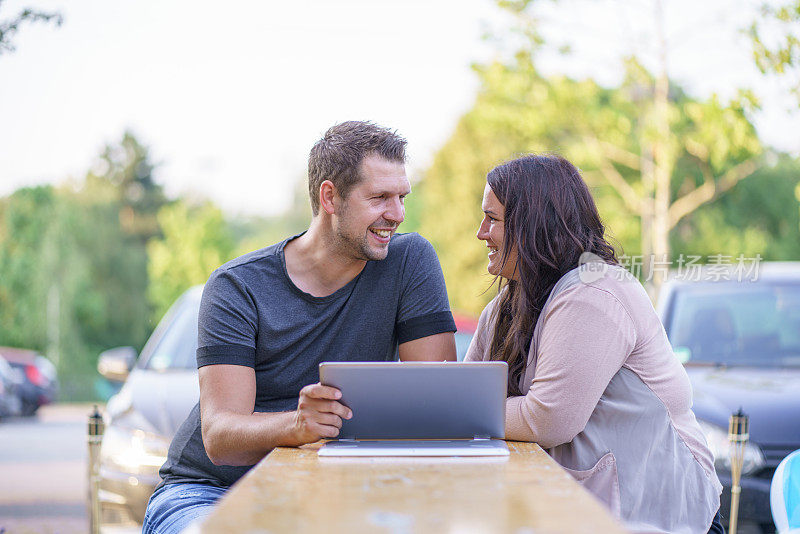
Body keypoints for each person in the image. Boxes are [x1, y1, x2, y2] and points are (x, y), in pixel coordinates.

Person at [143, 121, 457, 533]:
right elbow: (219, 436)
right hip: (212, 491)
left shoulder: (409, 262)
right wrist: (297, 425)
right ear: (330, 196)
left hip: (341, 491)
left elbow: (436, 404)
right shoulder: (238, 286)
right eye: (380, 197)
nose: (396, 214)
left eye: (402, 197)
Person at [465, 154, 724, 534]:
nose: (481, 232)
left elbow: (547, 418)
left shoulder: (595, 291)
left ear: (533, 225)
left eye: (493, 219)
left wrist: (459, 409)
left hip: (662, 517)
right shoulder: (507, 306)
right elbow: (466, 390)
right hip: (580, 511)